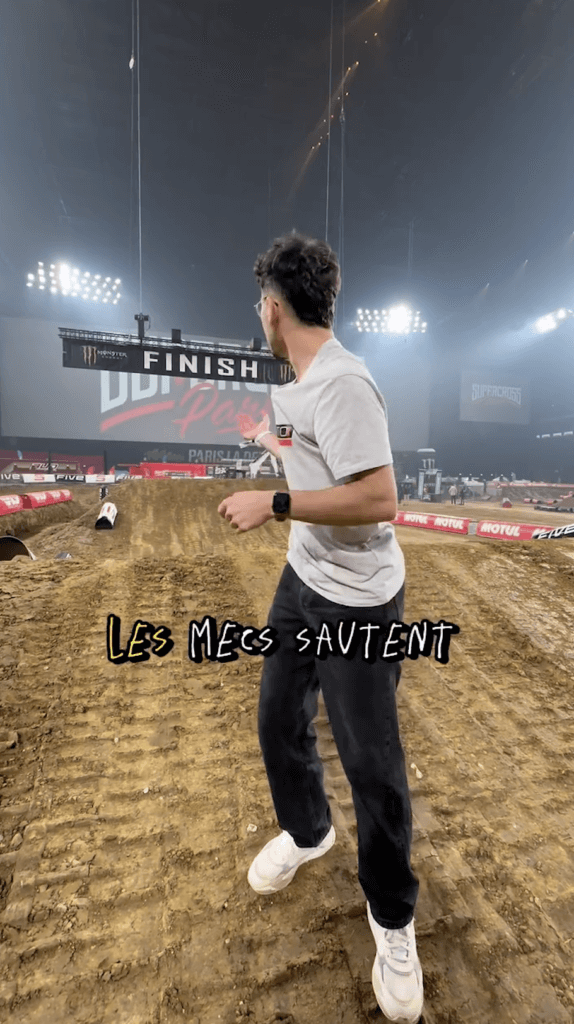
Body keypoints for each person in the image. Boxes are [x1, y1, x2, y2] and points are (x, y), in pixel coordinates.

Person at [219, 230, 423, 1024]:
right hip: (302, 580)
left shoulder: (343, 383)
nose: (257, 315)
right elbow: (315, 457)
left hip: (359, 602)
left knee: (372, 764)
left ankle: (394, 918)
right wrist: (271, 445)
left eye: (257, 305)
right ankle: (308, 833)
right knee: (278, 718)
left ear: (274, 309)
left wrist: (273, 502)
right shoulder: (296, 388)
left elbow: (378, 498)